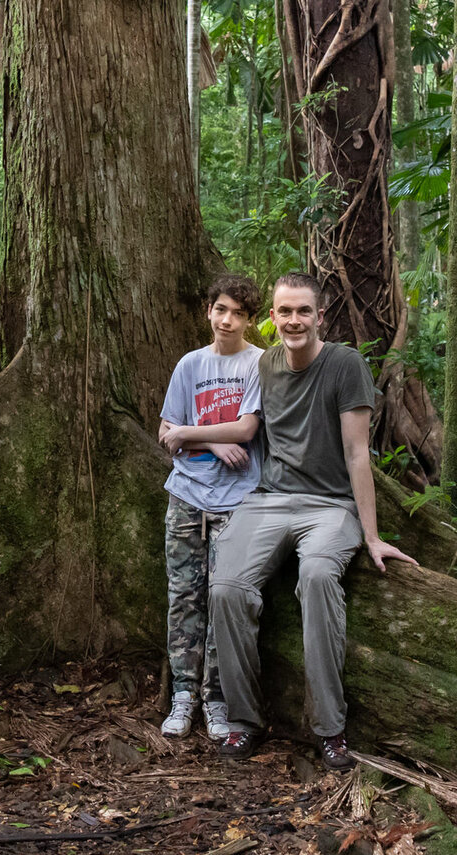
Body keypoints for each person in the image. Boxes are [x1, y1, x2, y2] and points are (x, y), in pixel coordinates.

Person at [208, 272, 418, 767]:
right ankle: (243, 721)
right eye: (285, 311)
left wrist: (371, 535)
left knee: (320, 576)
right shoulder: (264, 364)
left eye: (304, 311)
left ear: (320, 316)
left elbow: (357, 453)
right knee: (226, 588)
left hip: (330, 506)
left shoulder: (345, 365)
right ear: (273, 318)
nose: (294, 320)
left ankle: (330, 727)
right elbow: (244, 427)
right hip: (268, 501)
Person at [155, 274, 266, 740]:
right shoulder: (189, 365)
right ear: (208, 310)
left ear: (249, 320)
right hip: (186, 496)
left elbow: (245, 430)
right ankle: (183, 694)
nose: (227, 320)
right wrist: (205, 441)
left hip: (238, 500)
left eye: (238, 313)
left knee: (226, 599)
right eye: (221, 309)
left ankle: (217, 699)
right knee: (184, 597)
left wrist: (191, 433)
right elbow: (166, 433)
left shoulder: (259, 364)